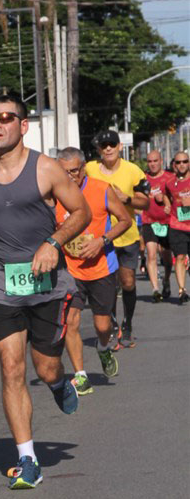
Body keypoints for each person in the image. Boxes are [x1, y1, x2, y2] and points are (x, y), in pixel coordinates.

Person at [0, 93, 91, 490]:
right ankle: (28, 459)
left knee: (46, 367)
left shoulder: (46, 168)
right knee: (11, 365)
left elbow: (82, 212)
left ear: (23, 126)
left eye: (6, 118)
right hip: (2, 284)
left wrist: (53, 243)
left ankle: (58, 383)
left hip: (47, 284)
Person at [56, 147, 130, 393]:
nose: (69, 177)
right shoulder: (54, 195)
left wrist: (102, 241)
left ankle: (103, 347)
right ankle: (81, 376)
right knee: (70, 321)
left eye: (73, 171)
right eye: (64, 172)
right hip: (70, 270)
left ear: (84, 168)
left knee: (102, 327)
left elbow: (125, 220)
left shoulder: (101, 189)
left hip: (101, 268)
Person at [85, 131, 150, 347]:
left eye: (112, 144)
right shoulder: (90, 169)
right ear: (98, 149)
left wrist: (126, 199)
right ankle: (112, 328)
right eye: (103, 145)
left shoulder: (133, 170)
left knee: (128, 282)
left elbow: (146, 203)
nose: (108, 149)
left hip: (127, 236)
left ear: (120, 146)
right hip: (100, 238)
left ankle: (127, 324)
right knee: (108, 287)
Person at [142, 150, 174, 300]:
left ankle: (166, 280)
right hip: (149, 221)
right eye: (149, 161)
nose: (152, 164)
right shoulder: (143, 179)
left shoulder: (170, 177)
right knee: (151, 254)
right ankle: (155, 289)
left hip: (167, 222)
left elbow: (177, 197)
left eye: (155, 161)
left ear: (161, 161)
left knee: (167, 258)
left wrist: (167, 202)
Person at [163, 151, 190, 304]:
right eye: (178, 162)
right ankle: (181, 290)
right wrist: (167, 204)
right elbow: (165, 194)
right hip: (177, 225)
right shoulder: (170, 182)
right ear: (174, 164)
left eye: (185, 161)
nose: (182, 165)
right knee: (179, 256)